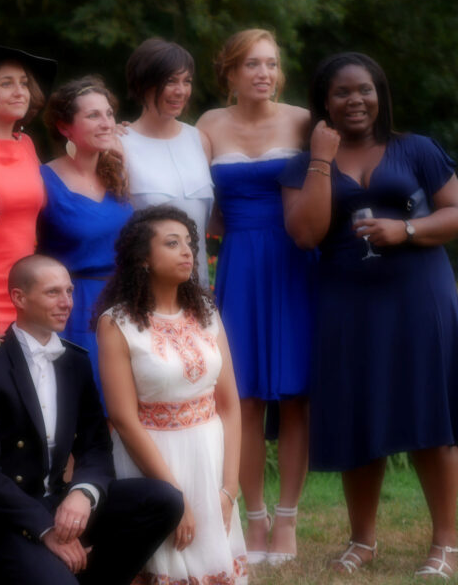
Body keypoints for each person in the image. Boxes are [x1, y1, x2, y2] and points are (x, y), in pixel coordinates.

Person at [281, 52, 458, 578]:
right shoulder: (304, 163)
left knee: (431, 415)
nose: (355, 100)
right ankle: (362, 541)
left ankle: (446, 544)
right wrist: (320, 158)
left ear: (380, 94)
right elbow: (305, 234)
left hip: (420, 297)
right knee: (358, 414)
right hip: (347, 302)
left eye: (364, 90)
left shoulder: (416, 149)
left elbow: (455, 211)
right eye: (342, 92)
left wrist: (406, 230)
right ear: (325, 101)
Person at [0, 254, 183, 585]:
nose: (66, 302)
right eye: (53, 292)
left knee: (163, 500)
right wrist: (45, 528)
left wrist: (83, 494)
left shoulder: (75, 362)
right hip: (6, 518)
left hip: (59, 501)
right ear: (19, 298)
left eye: (69, 291)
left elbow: (96, 446)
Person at [196, 28, 314, 564]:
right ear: (230, 72)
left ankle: (287, 518)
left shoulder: (302, 121)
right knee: (240, 395)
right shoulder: (208, 125)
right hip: (239, 263)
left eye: (271, 63)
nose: (264, 73)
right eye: (251, 64)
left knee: (295, 394)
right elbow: (198, 196)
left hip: (295, 262)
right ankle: (256, 518)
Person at [96, 205, 248, 584]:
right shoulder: (117, 323)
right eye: (172, 243)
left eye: (189, 243)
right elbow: (123, 419)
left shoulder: (206, 312)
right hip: (154, 459)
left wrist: (229, 487)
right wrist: (173, 498)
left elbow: (229, 405)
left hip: (209, 454)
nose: (187, 252)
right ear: (143, 258)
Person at [37, 76, 133, 404]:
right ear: (65, 127)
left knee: (122, 407)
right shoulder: (44, 180)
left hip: (123, 303)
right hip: (74, 308)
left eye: (109, 114)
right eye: (93, 115)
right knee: (80, 408)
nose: (106, 123)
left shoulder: (117, 173)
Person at [0, 45, 56, 331]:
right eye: (6, 84)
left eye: (24, 83)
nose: (20, 92)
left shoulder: (27, 144)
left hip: (27, 297)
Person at [119, 37, 214, 288]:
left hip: (198, 287)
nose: (181, 91)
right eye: (170, 81)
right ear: (143, 84)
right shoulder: (120, 145)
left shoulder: (200, 140)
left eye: (187, 81)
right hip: (145, 289)